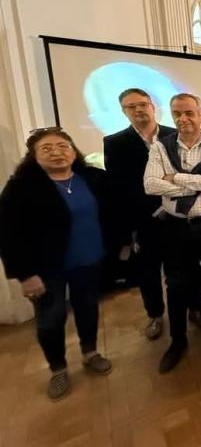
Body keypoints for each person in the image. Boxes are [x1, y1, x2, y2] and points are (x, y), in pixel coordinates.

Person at [0, 129, 117, 400]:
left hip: (89, 259)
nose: (56, 152)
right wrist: (25, 275)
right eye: (47, 148)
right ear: (33, 156)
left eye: (63, 146)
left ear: (73, 151)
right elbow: (8, 235)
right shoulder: (21, 187)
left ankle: (90, 352)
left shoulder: (91, 178)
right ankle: (58, 368)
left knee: (88, 308)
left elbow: (110, 213)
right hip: (46, 269)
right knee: (51, 319)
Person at [144, 93, 201, 374]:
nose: (183, 119)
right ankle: (178, 341)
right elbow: (150, 185)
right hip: (176, 226)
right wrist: (200, 183)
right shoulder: (160, 147)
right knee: (176, 284)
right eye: (177, 114)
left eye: (189, 113)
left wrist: (175, 178)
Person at [104, 88, 176, 340]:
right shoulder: (114, 143)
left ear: (152, 106)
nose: (138, 110)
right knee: (148, 272)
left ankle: (194, 309)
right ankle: (155, 315)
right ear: (124, 111)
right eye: (131, 106)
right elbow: (118, 187)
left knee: (182, 270)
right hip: (144, 220)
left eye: (142, 104)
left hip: (178, 216)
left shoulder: (175, 135)